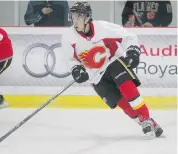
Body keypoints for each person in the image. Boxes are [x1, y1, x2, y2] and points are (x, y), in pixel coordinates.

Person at [62, 2, 163, 138]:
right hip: (95, 76)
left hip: (113, 62)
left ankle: (145, 118)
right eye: (73, 17)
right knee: (123, 104)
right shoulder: (68, 37)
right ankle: (148, 123)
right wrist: (76, 69)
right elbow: (70, 59)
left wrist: (133, 51)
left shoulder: (103, 28)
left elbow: (129, 36)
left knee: (127, 88)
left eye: (78, 17)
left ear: (87, 17)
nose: (75, 21)